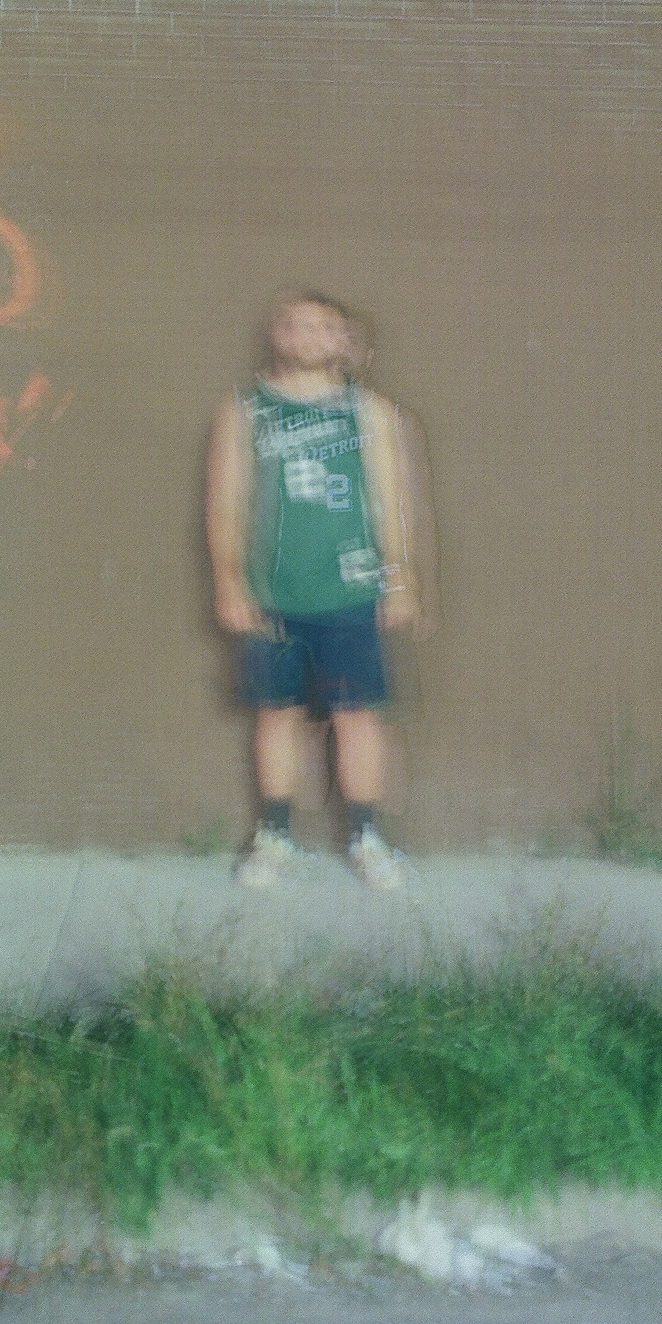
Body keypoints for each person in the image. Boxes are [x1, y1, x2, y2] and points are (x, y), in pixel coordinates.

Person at [205, 293, 430, 892]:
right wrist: (229, 583)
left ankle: (366, 838)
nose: (308, 335)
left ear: (343, 341)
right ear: (277, 335)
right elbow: (225, 500)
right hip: (273, 594)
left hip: (351, 590)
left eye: (324, 327)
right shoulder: (246, 410)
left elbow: (390, 498)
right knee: (276, 715)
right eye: (296, 325)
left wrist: (399, 579)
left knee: (357, 717)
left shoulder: (368, 411)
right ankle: (274, 836)